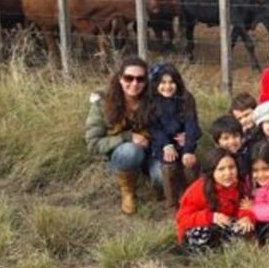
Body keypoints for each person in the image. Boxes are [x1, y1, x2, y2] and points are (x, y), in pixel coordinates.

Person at [84, 56, 152, 215]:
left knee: (160, 178)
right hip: (122, 155)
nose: (134, 83)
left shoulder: (153, 101)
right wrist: (128, 137)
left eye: (140, 79)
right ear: (120, 79)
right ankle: (128, 192)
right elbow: (93, 144)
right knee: (130, 150)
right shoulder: (103, 103)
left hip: (151, 152)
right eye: (129, 78)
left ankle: (152, 185)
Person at [175, 149, 255, 252]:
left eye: (232, 167)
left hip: (225, 227)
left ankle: (225, 249)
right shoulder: (198, 189)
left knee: (245, 228)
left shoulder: (240, 186)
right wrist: (211, 217)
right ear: (211, 171)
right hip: (200, 229)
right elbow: (182, 219)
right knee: (203, 232)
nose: (228, 173)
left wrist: (246, 217)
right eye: (221, 169)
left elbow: (245, 206)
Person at [148, 63, 202, 208]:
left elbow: (192, 124)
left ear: (177, 82)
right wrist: (166, 145)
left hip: (184, 142)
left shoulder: (186, 99)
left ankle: (193, 200)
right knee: (169, 168)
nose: (167, 86)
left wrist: (189, 149)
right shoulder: (152, 102)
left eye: (171, 82)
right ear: (156, 84)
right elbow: (154, 128)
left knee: (189, 166)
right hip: (164, 145)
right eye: (163, 83)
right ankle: (172, 204)